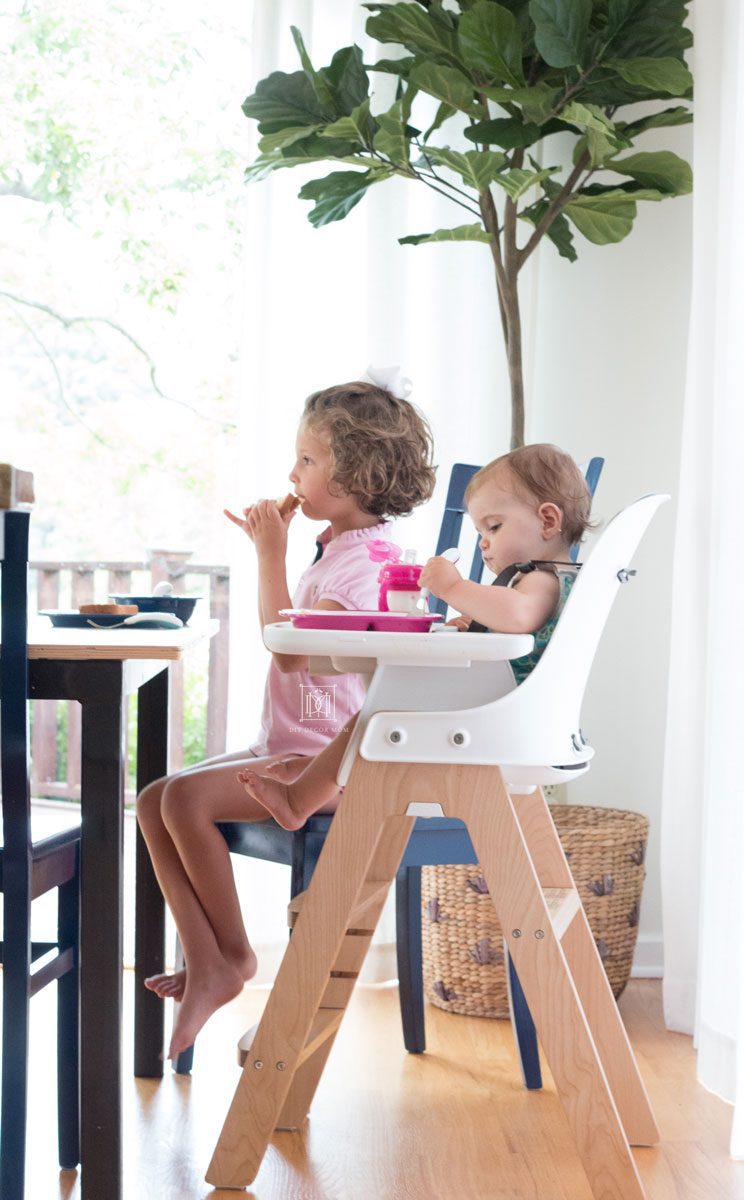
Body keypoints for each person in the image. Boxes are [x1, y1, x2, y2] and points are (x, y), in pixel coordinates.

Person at [136, 378, 435, 1059]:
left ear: (354, 475)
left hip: (328, 765)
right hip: (291, 744)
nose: (292, 475)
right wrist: (280, 553)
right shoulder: (341, 549)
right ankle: (211, 960)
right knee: (154, 800)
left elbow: (294, 653)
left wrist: (269, 556)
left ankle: (230, 959)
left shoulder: (372, 567)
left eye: (307, 461)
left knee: (182, 799)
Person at [239, 441, 591, 823]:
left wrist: (454, 589)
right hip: (506, 713)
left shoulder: (542, 580)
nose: (484, 542)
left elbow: (519, 615)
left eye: (494, 526)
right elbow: (516, 623)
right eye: (479, 532)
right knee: (379, 711)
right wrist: (477, 627)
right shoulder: (552, 580)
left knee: (382, 711)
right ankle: (315, 773)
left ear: (549, 520)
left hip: (498, 719)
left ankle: (302, 797)